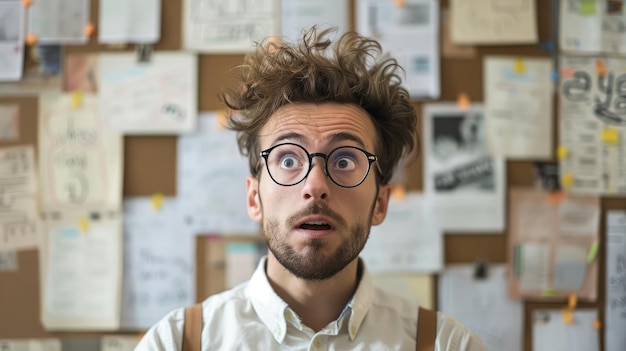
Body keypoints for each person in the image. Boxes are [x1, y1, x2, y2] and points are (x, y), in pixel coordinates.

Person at [135, 26, 486, 351]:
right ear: (254, 197)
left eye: (345, 161)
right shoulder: (174, 342)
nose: (315, 186)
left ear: (380, 203)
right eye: (288, 160)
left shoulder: (447, 344)